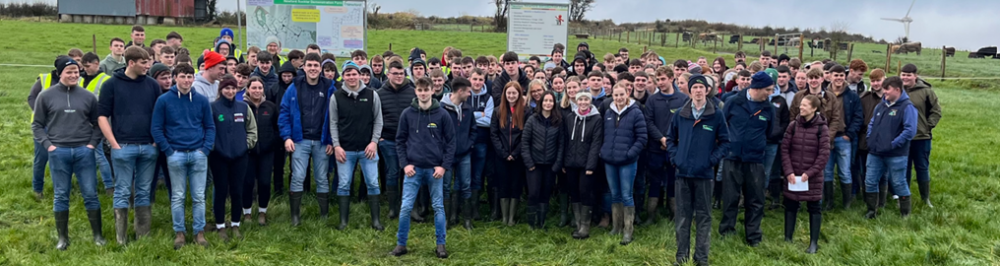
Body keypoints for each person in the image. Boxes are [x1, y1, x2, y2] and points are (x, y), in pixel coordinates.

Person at [32, 57, 105, 250]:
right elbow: (37, 125)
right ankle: (62, 238)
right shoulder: (45, 96)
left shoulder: (88, 97)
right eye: (69, 72)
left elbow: (99, 124)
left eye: (76, 71)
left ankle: (98, 235)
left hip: (84, 151)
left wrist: (91, 144)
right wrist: (49, 146)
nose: (74, 75)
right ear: (59, 74)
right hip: (58, 151)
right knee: (61, 195)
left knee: (90, 194)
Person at [97, 46, 161, 245]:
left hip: (148, 147)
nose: (147, 66)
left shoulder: (152, 85)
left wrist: (155, 141)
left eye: (149, 62)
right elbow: (102, 116)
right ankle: (121, 239)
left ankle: (142, 235)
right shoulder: (111, 85)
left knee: (143, 190)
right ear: (131, 63)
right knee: (123, 191)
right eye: (143, 62)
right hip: (123, 147)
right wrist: (113, 144)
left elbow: (160, 115)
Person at [389, 77, 456, 259]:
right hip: (413, 169)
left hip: (435, 170)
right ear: (416, 92)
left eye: (427, 90)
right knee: (405, 208)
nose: (423, 93)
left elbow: (451, 143)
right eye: (420, 90)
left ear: (432, 91)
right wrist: (405, 164)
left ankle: (441, 244)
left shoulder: (442, 114)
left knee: (438, 207)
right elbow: (400, 141)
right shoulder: (407, 114)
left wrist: (444, 166)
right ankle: (401, 244)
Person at [150, 63, 214, 249]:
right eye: (183, 76)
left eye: (189, 76)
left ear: (193, 78)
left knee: (198, 196)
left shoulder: (201, 100)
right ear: (175, 78)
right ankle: (180, 232)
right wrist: (168, 150)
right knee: (178, 196)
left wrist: (205, 149)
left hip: (198, 154)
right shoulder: (164, 100)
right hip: (175, 154)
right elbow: (156, 127)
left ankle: (199, 232)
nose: (186, 80)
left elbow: (209, 126)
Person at [669, 75, 729, 265]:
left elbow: (725, 142)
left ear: (707, 90)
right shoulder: (680, 114)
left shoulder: (715, 114)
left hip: (704, 174)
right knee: (682, 217)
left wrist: (711, 161)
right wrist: (676, 158)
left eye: (701, 87)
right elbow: (670, 139)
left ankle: (701, 257)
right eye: (694, 87)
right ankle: (682, 256)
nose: (698, 90)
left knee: (704, 217)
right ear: (690, 90)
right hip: (683, 173)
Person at [719, 72, 777, 247]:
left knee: (756, 199)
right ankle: (727, 231)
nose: (770, 93)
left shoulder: (768, 109)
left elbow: (769, 132)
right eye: (768, 90)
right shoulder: (734, 102)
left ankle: (753, 235)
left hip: (755, 160)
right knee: (730, 197)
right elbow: (721, 124)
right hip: (732, 157)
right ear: (756, 88)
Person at [279, 53, 336, 226]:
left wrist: (332, 141)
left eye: (315, 66)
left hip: (322, 141)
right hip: (299, 140)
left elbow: (336, 117)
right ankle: (295, 216)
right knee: (297, 176)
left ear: (320, 68)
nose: (312, 69)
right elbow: (284, 113)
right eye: (309, 65)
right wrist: (287, 137)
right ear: (303, 67)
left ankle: (324, 215)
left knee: (321, 178)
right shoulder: (294, 87)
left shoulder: (330, 88)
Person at [329, 63, 384, 231]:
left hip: (368, 149)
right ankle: (343, 222)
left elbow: (378, 120)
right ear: (343, 77)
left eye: (354, 74)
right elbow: (333, 124)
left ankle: (376, 221)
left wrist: (374, 142)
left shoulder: (372, 95)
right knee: (344, 184)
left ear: (359, 75)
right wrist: (337, 146)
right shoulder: (336, 97)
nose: (351, 77)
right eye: (347, 74)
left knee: (373, 183)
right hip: (346, 149)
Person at [780, 95, 831, 254]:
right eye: (801, 105)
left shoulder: (822, 128)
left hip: (812, 177)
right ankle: (788, 238)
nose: (801, 108)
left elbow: (823, 155)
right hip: (793, 174)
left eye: (805, 106)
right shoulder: (793, 126)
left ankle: (813, 243)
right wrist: (788, 171)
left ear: (814, 108)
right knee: (790, 205)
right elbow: (785, 149)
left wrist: (809, 173)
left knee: (814, 208)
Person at [209, 77, 257, 241]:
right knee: (221, 191)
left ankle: (236, 224)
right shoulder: (213, 108)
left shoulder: (243, 107)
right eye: (226, 88)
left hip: (240, 157)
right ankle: (221, 226)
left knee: (237, 191)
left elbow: (252, 129)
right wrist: (215, 148)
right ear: (221, 90)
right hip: (219, 157)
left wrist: (246, 145)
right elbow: (208, 129)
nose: (230, 91)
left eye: (233, 88)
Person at [863, 76, 918, 218]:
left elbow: (910, 131)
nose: (884, 92)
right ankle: (871, 211)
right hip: (875, 152)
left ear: (897, 90)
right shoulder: (880, 106)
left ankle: (905, 214)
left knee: (899, 182)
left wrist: (893, 144)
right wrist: (870, 138)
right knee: (870, 181)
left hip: (896, 154)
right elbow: (872, 123)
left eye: (887, 89)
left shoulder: (907, 107)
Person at [600, 83, 647, 245]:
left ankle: (628, 230)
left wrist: (630, 154)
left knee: (627, 194)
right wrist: (604, 151)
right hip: (610, 161)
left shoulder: (636, 113)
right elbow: (604, 135)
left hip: (627, 161)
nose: (619, 98)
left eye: (621, 94)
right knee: (615, 194)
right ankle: (616, 226)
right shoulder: (608, 112)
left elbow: (642, 138)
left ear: (627, 94)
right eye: (616, 95)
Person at [644, 68, 690, 225]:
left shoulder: (682, 99)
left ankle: (675, 214)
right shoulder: (652, 100)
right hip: (655, 148)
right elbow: (648, 122)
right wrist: (661, 138)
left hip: (675, 149)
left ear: (671, 79)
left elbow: (685, 122)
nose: (660, 82)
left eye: (663, 79)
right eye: (658, 79)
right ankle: (651, 214)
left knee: (673, 180)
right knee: (655, 181)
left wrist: (671, 141)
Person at [377, 60, 417, 221]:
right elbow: (374, 117)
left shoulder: (412, 92)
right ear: (388, 75)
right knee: (392, 172)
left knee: (409, 175)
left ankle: (409, 208)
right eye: (395, 73)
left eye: (401, 73)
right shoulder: (379, 94)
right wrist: (378, 136)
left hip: (410, 141)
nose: (399, 76)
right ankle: (393, 208)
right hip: (388, 140)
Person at [561, 90, 602, 239]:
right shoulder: (570, 117)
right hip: (571, 162)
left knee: (585, 192)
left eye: (586, 100)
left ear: (590, 101)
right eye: (580, 100)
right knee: (574, 192)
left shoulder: (596, 119)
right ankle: (578, 223)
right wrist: (564, 162)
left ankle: (585, 226)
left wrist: (591, 166)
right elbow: (565, 140)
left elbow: (596, 143)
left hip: (586, 164)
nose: (583, 103)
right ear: (576, 102)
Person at [900, 64, 942, 208]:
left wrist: (927, 126)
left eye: (908, 75)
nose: (905, 77)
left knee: (922, 167)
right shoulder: (897, 90)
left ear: (915, 76)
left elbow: (936, 111)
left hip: (921, 137)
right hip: (902, 138)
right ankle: (904, 198)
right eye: (903, 74)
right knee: (904, 168)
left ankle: (925, 198)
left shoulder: (926, 91)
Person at [521, 91, 564, 230]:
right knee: (533, 193)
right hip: (534, 164)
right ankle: (531, 223)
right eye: (545, 101)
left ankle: (541, 222)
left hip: (550, 165)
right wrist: (529, 163)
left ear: (554, 103)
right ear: (541, 103)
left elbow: (561, 144)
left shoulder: (558, 121)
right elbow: (525, 142)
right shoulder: (532, 119)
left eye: (551, 101)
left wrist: (557, 164)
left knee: (546, 193)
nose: (548, 103)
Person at [440, 77, 476, 230]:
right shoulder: (441, 109)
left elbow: (473, 130)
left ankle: (466, 220)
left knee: (466, 185)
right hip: (447, 155)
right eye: (468, 91)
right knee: (446, 186)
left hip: (464, 154)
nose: (470, 94)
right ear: (460, 91)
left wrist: (468, 145)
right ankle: (447, 219)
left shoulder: (468, 109)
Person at [243, 77, 279, 227]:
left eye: (259, 88)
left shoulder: (270, 106)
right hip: (247, 152)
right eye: (254, 88)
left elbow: (277, 126)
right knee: (248, 183)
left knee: (264, 182)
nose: (257, 91)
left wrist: (273, 141)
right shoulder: (242, 106)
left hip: (266, 151)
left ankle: (263, 211)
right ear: (248, 89)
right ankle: (247, 213)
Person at [826, 65, 863, 209]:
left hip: (843, 138)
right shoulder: (824, 94)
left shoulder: (852, 96)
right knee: (827, 171)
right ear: (830, 76)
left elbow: (858, 117)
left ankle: (846, 203)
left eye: (841, 75)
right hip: (827, 138)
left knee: (845, 171)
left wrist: (849, 134)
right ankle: (829, 202)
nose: (839, 78)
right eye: (836, 75)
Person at [491, 81, 528, 226]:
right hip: (501, 156)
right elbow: (494, 134)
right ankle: (504, 217)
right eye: (509, 93)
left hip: (518, 156)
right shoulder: (497, 111)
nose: (511, 96)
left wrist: (516, 152)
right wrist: (503, 152)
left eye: (514, 93)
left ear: (519, 95)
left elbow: (525, 134)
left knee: (516, 185)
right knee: (503, 185)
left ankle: (512, 218)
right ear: (504, 95)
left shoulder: (525, 112)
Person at [858, 69, 889, 208]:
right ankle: (869, 201)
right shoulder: (864, 98)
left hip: (886, 142)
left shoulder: (891, 98)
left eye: (878, 80)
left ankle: (882, 202)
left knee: (883, 174)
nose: (875, 84)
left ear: (884, 80)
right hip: (866, 141)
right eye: (873, 81)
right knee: (866, 172)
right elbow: (859, 118)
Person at [466, 68, 494, 221]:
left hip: (481, 142)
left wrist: (470, 115)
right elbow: (461, 116)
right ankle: (464, 206)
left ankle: (475, 209)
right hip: (464, 142)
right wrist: (479, 114)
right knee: (464, 176)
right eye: (475, 79)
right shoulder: (464, 95)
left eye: (480, 79)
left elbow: (489, 120)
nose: (477, 82)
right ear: (469, 79)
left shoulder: (488, 98)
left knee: (477, 175)